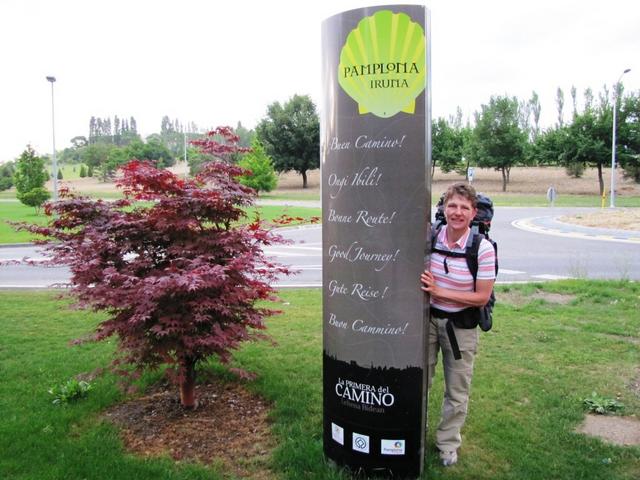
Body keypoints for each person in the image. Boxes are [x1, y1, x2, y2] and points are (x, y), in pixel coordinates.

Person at [420, 182, 496, 467]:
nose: (457, 212)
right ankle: (414, 434)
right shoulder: (430, 237)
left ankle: (447, 444)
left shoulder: (482, 249)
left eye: (464, 207)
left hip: (461, 328)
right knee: (419, 382)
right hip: (427, 322)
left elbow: (481, 297)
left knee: (457, 390)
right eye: (452, 205)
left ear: (473, 213)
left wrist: (440, 292)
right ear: (443, 208)